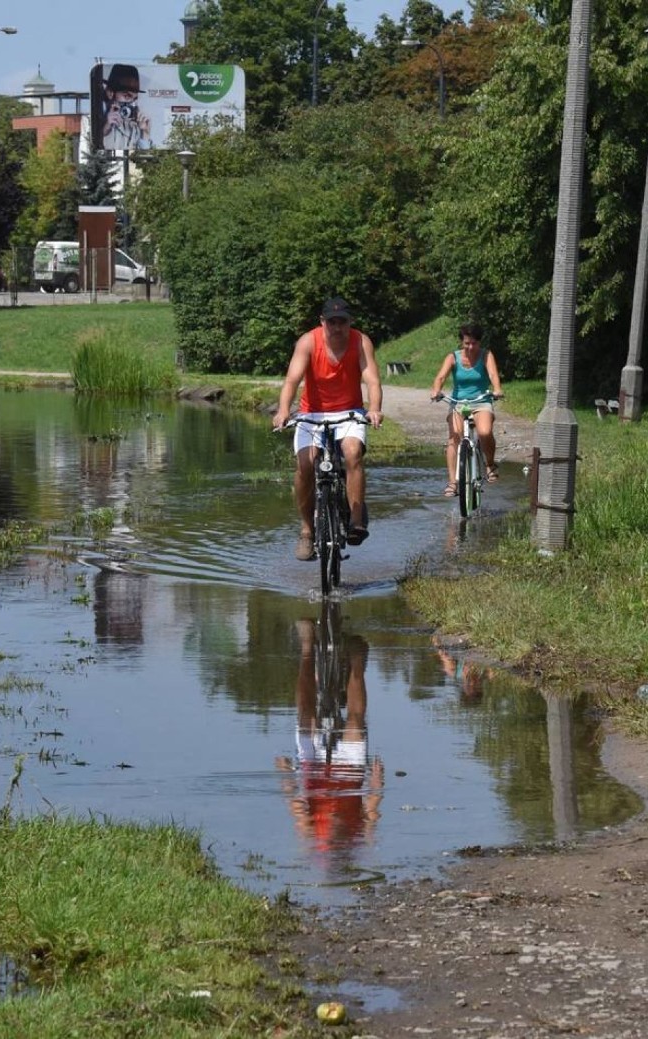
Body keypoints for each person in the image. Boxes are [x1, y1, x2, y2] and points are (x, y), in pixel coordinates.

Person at [272, 298, 383, 562]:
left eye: (342, 321)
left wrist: (375, 408)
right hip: (311, 413)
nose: (337, 327)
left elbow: (372, 379)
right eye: (331, 321)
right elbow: (291, 380)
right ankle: (307, 531)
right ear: (322, 322)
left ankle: (357, 521)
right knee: (306, 465)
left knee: (353, 452)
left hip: (349, 412)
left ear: (349, 322)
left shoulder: (360, 342)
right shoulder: (308, 342)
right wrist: (283, 410)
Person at [275, 615, 383, 863]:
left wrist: (286, 775)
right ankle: (356, 662)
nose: (334, 839)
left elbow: (297, 806)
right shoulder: (358, 837)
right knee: (355, 722)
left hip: (313, 771)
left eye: (331, 845)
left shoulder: (311, 837)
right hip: (350, 773)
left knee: (305, 718)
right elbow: (372, 811)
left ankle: (307, 646)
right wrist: (376, 781)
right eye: (338, 845)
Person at [430, 322, 503, 496]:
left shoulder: (486, 355)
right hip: (458, 402)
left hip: (481, 400)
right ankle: (452, 483)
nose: (470, 347)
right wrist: (436, 390)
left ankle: (490, 464)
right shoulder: (453, 357)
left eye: (474, 343)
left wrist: (497, 389)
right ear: (462, 342)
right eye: (467, 343)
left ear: (479, 342)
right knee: (454, 437)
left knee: (485, 432)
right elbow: (440, 377)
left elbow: (493, 374)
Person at [102, 64, 152, 151]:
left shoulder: (135, 128)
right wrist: (107, 127)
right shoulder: (94, 121)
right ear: (110, 93)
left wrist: (145, 132)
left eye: (134, 98)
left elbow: (144, 156)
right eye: (127, 96)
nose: (132, 103)